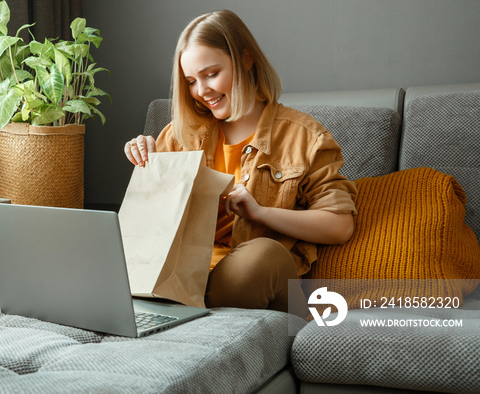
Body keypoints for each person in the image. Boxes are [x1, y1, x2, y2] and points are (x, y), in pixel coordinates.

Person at [123, 10, 357, 317]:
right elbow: (149, 230)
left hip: (250, 280)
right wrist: (146, 164)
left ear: (246, 59)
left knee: (266, 254)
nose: (201, 91)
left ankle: (192, 314)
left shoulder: (305, 137)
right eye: (192, 81)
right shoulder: (180, 134)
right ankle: (172, 312)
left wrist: (260, 213)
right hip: (181, 278)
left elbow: (340, 225)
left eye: (211, 74)